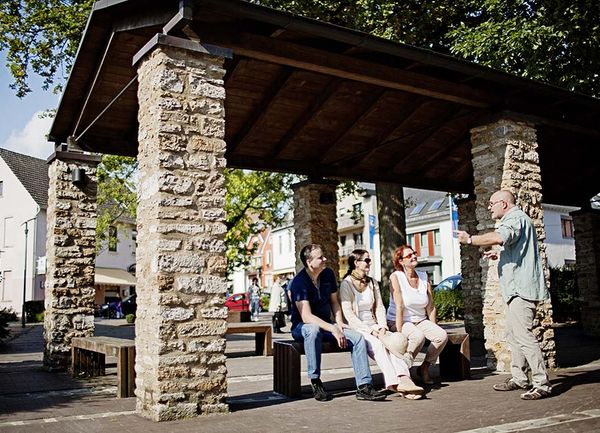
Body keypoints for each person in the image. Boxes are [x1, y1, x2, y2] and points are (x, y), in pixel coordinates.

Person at [455, 189, 552, 400]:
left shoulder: (514, 218)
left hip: (521, 289)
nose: (489, 207)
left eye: (492, 204)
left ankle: (541, 383)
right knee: (513, 335)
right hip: (516, 289)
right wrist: (499, 253)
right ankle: (519, 378)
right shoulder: (518, 219)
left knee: (524, 337)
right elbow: (514, 247)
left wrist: (470, 239)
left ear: (504, 204)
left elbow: (500, 236)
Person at [289, 244, 386, 402]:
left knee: (358, 338)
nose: (325, 259)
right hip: (302, 328)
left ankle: (364, 386)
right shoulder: (299, 282)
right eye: (320, 257)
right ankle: (315, 380)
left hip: (328, 325)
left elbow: (334, 302)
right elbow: (306, 317)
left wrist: (339, 322)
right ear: (309, 262)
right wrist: (334, 329)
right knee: (313, 330)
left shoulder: (328, 274)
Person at [340, 249, 424, 399]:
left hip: (375, 325)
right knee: (378, 345)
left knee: (394, 344)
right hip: (358, 328)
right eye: (366, 260)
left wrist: (382, 326)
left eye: (369, 260)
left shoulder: (372, 282)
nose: (369, 263)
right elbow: (349, 315)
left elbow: (379, 307)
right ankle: (395, 384)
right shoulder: (346, 284)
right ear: (355, 263)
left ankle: (405, 379)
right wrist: (370, 331)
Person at [386, 245, 448, 385]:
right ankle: (403, 371)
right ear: (401, 261)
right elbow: (400, 306)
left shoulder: (424, 276)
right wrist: (400, 331)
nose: (414, 256)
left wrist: (433, 327)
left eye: (414, 253)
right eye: (409, 256)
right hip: (400, 320)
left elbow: (430, 306)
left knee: (441, 336)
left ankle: (424, 368)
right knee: (417, 337)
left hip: (420, 320)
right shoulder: (396, 277)